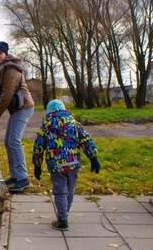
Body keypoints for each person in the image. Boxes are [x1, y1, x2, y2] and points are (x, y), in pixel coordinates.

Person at [32, 99, 101, 231]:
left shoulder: (46, 126)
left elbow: (38, 147)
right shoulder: (74, 124)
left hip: (56, 164)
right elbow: (86, 140)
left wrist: (37, 165)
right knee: (70, 189)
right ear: (64, 109)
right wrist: (94, 158)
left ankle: (63, 218)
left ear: (49, 112)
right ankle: (65, 213)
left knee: (60, 190)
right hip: (73, 163)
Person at [0, 41, 35, 192]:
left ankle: (22, 178)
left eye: (0, 53)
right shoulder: (3, 69)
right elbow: (4, 90)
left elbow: (8, 95)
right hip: (17, 108)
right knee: (9, 141)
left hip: (24, 107)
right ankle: (15, 176)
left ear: (6, 54)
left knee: (13, 140)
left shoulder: (11, 69)